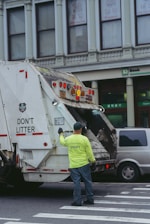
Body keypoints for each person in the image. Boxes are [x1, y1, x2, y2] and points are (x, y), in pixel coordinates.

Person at [58, 122, 96, 206]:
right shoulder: (84, 139)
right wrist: (93, 161)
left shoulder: (69, 139)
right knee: (88, 182)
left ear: (74, 129)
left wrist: (61, 134)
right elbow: (89, 152)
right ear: (81, 129)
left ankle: (77, 201)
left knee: (77, 183)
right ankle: (90, 199)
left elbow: (62, 142)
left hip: (74, 165)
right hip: (84, 164)